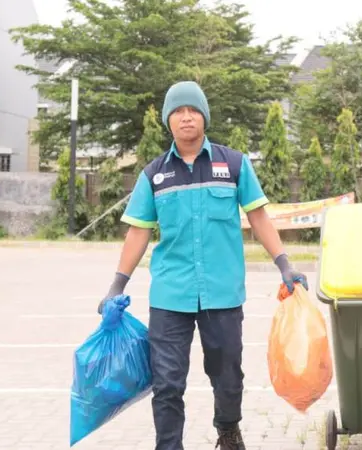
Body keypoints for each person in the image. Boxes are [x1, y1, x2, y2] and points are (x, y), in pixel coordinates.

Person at [98, 80, 308, 450]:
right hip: (170, 295)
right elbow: (137, 234)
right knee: (166, 382)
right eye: (178, 111)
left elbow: (259, 217)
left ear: (204, 117)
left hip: (222, 292)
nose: (186, 117)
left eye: (193, 110)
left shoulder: (234, 164)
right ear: (169, 121)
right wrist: (117, 285)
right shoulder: (154, 175)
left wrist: (284, 265)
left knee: (228, 375)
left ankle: (228, 430)